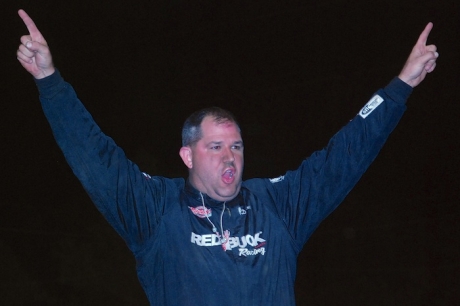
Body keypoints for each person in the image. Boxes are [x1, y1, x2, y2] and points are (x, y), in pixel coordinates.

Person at [16, 8, 438, 306]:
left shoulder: (277, 205)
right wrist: (49, 81)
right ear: (187, 155)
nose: (228, 156)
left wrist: (400, 87)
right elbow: (95, 157)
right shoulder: (156, 210)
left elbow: (343, 156)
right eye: (214, 147)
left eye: (235, 146)